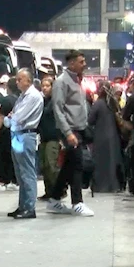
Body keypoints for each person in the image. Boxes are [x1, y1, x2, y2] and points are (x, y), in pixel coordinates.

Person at [46, 50, 95, 217]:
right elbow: (58, 109)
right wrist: (68, 133)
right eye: (81, 61)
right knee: (77, 165)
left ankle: (54, 199)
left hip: (79, 128)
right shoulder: (61, 82)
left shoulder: (78, 81)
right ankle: (77, 203)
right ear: (72, 63)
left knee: (68, 166)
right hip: (70, 130)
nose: (85, 64)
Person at [6, 69, 44, 219]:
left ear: (28, 80)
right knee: (20, 174)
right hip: (18, 135)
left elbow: (17, 117)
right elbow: (12, 117)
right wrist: (12, 118)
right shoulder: (22, 96)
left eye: (20, 79)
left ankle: (29, 207)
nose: (17, 82)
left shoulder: (33, 96)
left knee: (27, 173)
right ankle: (23, 205)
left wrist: (12, 118)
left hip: (26, 135)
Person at [88, 81, 123, 193]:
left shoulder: (98, 104)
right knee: (112, 161)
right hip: (114, 137)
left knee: (100, 162)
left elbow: (90, 120)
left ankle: (101, 186)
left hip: (100, 137)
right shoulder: (113, 103)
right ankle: (114, 185)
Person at [37, 77, 61, 200]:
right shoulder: (43, 101)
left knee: (52, 165)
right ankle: (49, 191)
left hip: (54, 137)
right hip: (44, 137)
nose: (44, 88)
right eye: (43, 86)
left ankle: (59, 191)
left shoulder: (56, 101)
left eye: (47, 85)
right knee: (44, 166)